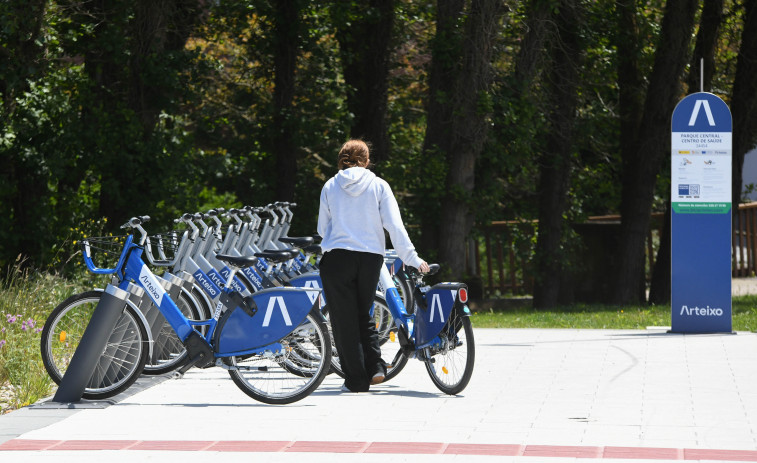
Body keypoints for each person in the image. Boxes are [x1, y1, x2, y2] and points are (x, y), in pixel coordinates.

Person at [317, 139, 429, 393]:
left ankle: (356, 380)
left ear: (341, 159)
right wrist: (412, 258)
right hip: (370, 258)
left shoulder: (330, 186)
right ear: (367, 161)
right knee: (363, 312)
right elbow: (394, 226)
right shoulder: (379, 186)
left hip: (338, 258)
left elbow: (322, 228)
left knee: (343, 320)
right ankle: (376, 367)